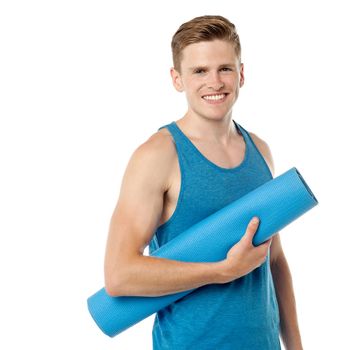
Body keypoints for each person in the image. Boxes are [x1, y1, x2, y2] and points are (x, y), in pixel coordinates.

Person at [103, 15, 303, 349]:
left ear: (241, 74)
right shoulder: (157, 156)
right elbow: (119, 275)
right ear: (177, 79)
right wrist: (221, 271)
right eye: (199, 71)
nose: (215, 82)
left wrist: (295, 346)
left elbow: (276, 259)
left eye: (225, 68)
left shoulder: (260, 151)